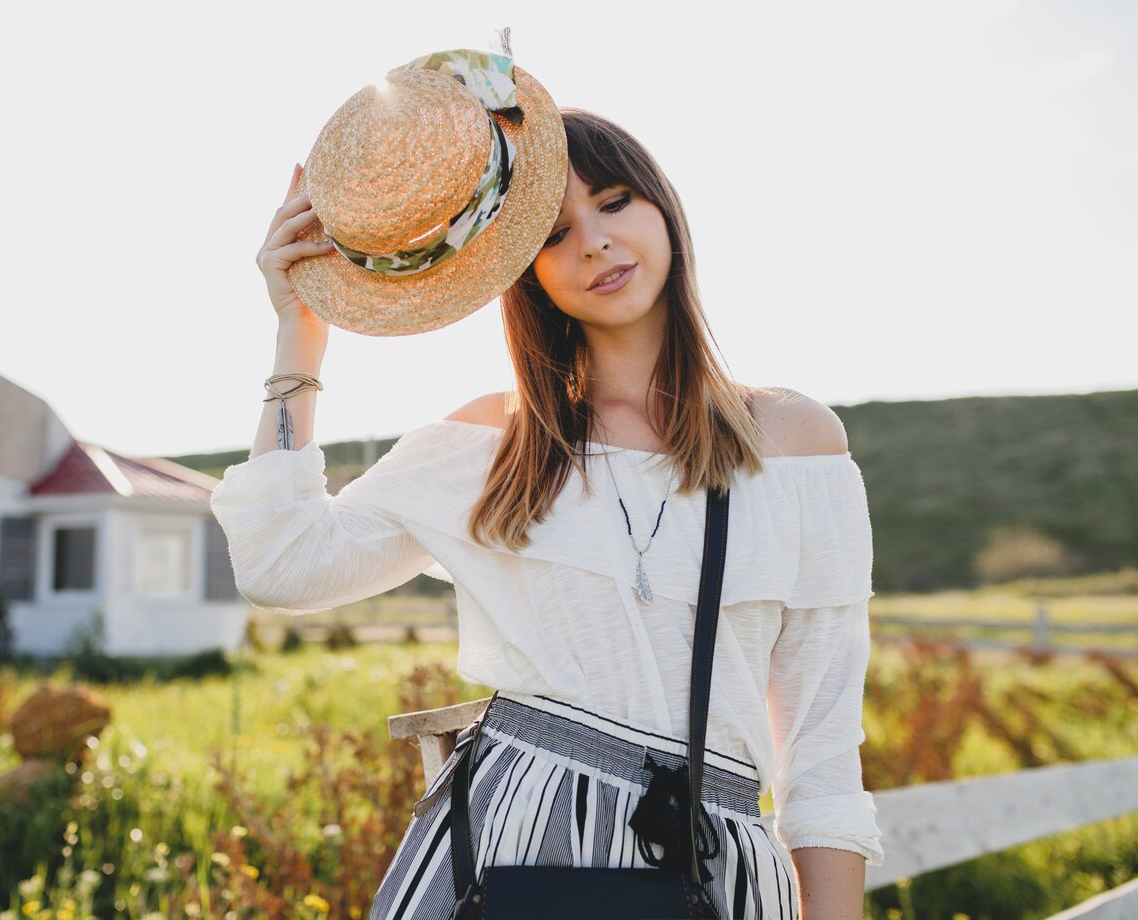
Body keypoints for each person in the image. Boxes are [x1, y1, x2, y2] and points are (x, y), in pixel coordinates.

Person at [214, 102, 884, 919]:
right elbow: (282, 565)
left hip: (711, 862)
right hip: (512, 841)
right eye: (553, 234)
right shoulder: (491, 442)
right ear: (520, 270)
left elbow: (820, 748)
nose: (594, 241)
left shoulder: (795, 445)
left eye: (612, 202)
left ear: (663, 209)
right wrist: (301, 339)